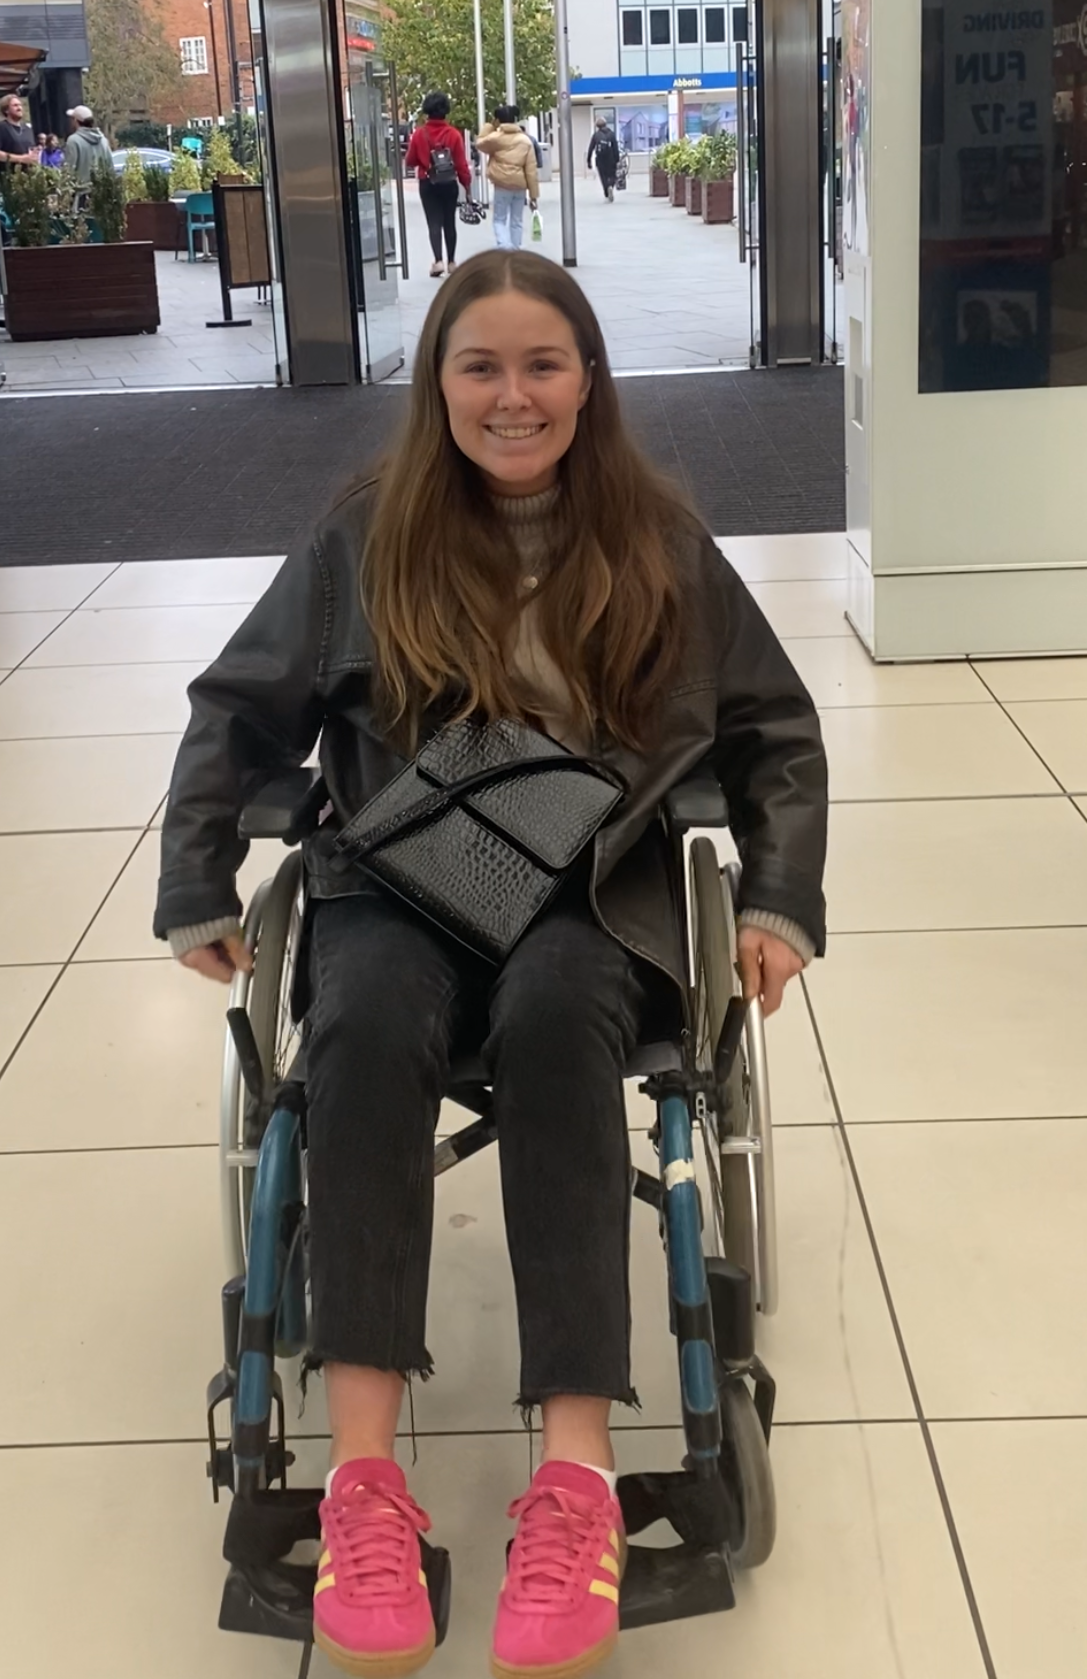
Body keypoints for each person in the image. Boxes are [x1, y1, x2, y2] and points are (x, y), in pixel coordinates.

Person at [155, 250, 827, 1679]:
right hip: (404, 875)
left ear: (587, 376)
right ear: (437, 384)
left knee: (555, 1015)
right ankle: (359, 1479)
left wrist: (773, 903)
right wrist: (194, 874)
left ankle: (572, 1476)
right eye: (480, 366)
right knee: (365, 1016)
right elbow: (236, 709)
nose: (511, 395)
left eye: (540, 364)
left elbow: (773, 727)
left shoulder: (655, 541)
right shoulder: (367, 534)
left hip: (589, 887)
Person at [405, 91, 472, 279]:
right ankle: (451, 262)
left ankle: (438, 261)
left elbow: (410, 161)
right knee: (449, 222)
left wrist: (424, 161)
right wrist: (466, 186)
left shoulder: (419, 134)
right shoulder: (454, 134)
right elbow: (461, 164)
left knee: (433, 222)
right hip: (449, 183)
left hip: (428, 182)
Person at [477, 104, 539, 251]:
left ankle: (504, 246)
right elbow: (531, 170)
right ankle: (516, 249)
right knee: (517, 220)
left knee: (499, 219)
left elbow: (480, 143)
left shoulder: (495, 138)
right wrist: (534, 196)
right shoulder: (525, 141)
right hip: (520, 186)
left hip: (502, 184)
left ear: (498, 120)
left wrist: (488, 126)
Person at [63, 105, 113, 192]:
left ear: (75, 121)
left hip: (80, 194)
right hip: (101, 193)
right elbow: (110, 167)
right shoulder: (103, 140)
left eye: (72, 118)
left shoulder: (73, 141)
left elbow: (69, 170)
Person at [0, 95, 40, 171]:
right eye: (15, 105)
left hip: (30, 176)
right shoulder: (0, 127)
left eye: (20, 105)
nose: (19, 108)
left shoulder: (28, 129)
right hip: (10, 177)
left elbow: (32, 150)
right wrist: (21, 159)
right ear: (6, 110)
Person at [587, 116, 621, 202]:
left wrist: (589, 161)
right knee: (612, 175)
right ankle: (610, 186)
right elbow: (615, 148)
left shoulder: (596, 136)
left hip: (600, 159)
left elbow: (591, 148)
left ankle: (606, 190)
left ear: (597, 126)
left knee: (603, 176)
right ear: (606, 124)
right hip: (611, 159)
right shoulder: (611, 134)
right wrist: (617, 159)